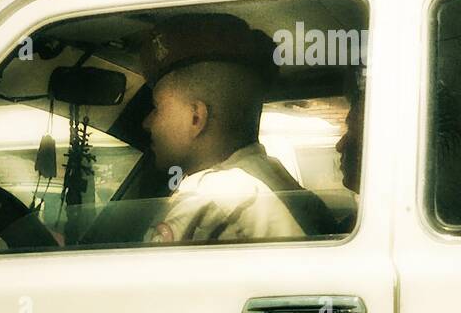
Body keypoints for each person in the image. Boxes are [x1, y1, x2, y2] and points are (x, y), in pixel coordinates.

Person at [141, 14, 332, 243]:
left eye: (157, 108)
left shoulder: (211, 198)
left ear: (196, 118)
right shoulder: (272, 175)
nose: (147, 122)